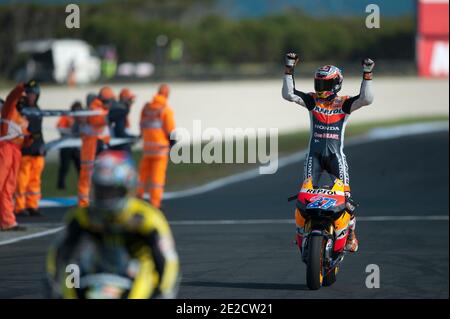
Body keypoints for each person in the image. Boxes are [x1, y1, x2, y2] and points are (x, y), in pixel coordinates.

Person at [46, 151, 179, 299]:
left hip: (135, 271)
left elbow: (168, 258)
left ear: (126, 188)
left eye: (111, 191)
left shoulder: (147, 217)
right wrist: (55, 282)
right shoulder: (81, 216)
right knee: (72, 265)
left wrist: (163, 289)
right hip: (95, 267)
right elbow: (60, 250)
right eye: (101, 190)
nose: (105, 197)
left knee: (147, 269)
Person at [282, 53, 375, 252]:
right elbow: (288, 95)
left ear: (336, 84)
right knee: (304, 197)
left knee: (347, 200)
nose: (320, 89)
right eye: (318, 84)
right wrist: (289, 68)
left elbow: (367, 99)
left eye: (324, 85)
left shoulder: (344, 103)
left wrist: (367, 74)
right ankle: (302, 231)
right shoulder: (312, 100)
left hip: (336, 158)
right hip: (313, 157)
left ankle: (351, 234)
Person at [137, 84, 175, 208]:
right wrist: (173, 145)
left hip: (147, 148)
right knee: (157, 178)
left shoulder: (147, 108)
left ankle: (138, 198)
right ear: (167, 94)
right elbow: (170, 131)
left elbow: (142, 125)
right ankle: (155, 203)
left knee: (142, 176)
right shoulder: (165, 109)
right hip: (160, 150)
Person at [0, 83, 30, 231]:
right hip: (5, 149)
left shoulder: (22, 118)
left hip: (16, 152)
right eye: (21, 99)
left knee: (8, 188)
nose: (23, 102)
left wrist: (30, 138)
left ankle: (8, 221)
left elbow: (23, 139)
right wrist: (21, 87)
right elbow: (11, 97)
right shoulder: (8, 110)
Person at [77, 87, 113, 207]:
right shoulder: (95, 109)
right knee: (87, 177)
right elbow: (98, 122)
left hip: (99, 146)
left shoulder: (101, 109)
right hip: (91, 148)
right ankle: (84, 203)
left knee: (102, 176)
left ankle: (97, 201)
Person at [15, 80, 46, 217]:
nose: (32, 96)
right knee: (22, 180)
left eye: (34, 94)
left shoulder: (38, 110)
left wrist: (42, 145)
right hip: (25, 150)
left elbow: (40, 131)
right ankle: (19, 207)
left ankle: (32, 205)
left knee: (35, 180)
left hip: (37, 150)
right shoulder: (19, 109)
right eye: (29, 93)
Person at [56, 101, 82, 190]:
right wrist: (70, 132)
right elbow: (60, 128)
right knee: (65, 166)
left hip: (76, 146)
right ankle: (61, 184)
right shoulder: (66, 116)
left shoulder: (80, 118)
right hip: (66, 146)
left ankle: (82, 183)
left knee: (79, 166)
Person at [108, 88, 136, 154]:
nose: (132, 103)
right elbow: (120, 132)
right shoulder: (120, 112)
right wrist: (132, 138)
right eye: (130, 100)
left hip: (116, 144)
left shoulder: (118, 110)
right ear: (125, 100)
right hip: (120, 146)